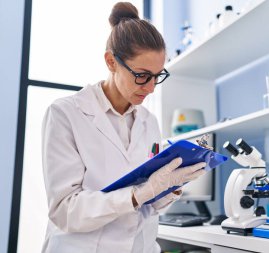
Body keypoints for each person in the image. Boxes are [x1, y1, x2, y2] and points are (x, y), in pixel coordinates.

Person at [41, 2, 206, 252]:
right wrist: (137, 194)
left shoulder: (148, 121)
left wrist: (169, 187)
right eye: (142, 75)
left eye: (158, 76)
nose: (151, 88)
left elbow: (148, 206)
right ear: (111, 61)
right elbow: (65, 210)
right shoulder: (65, 114)